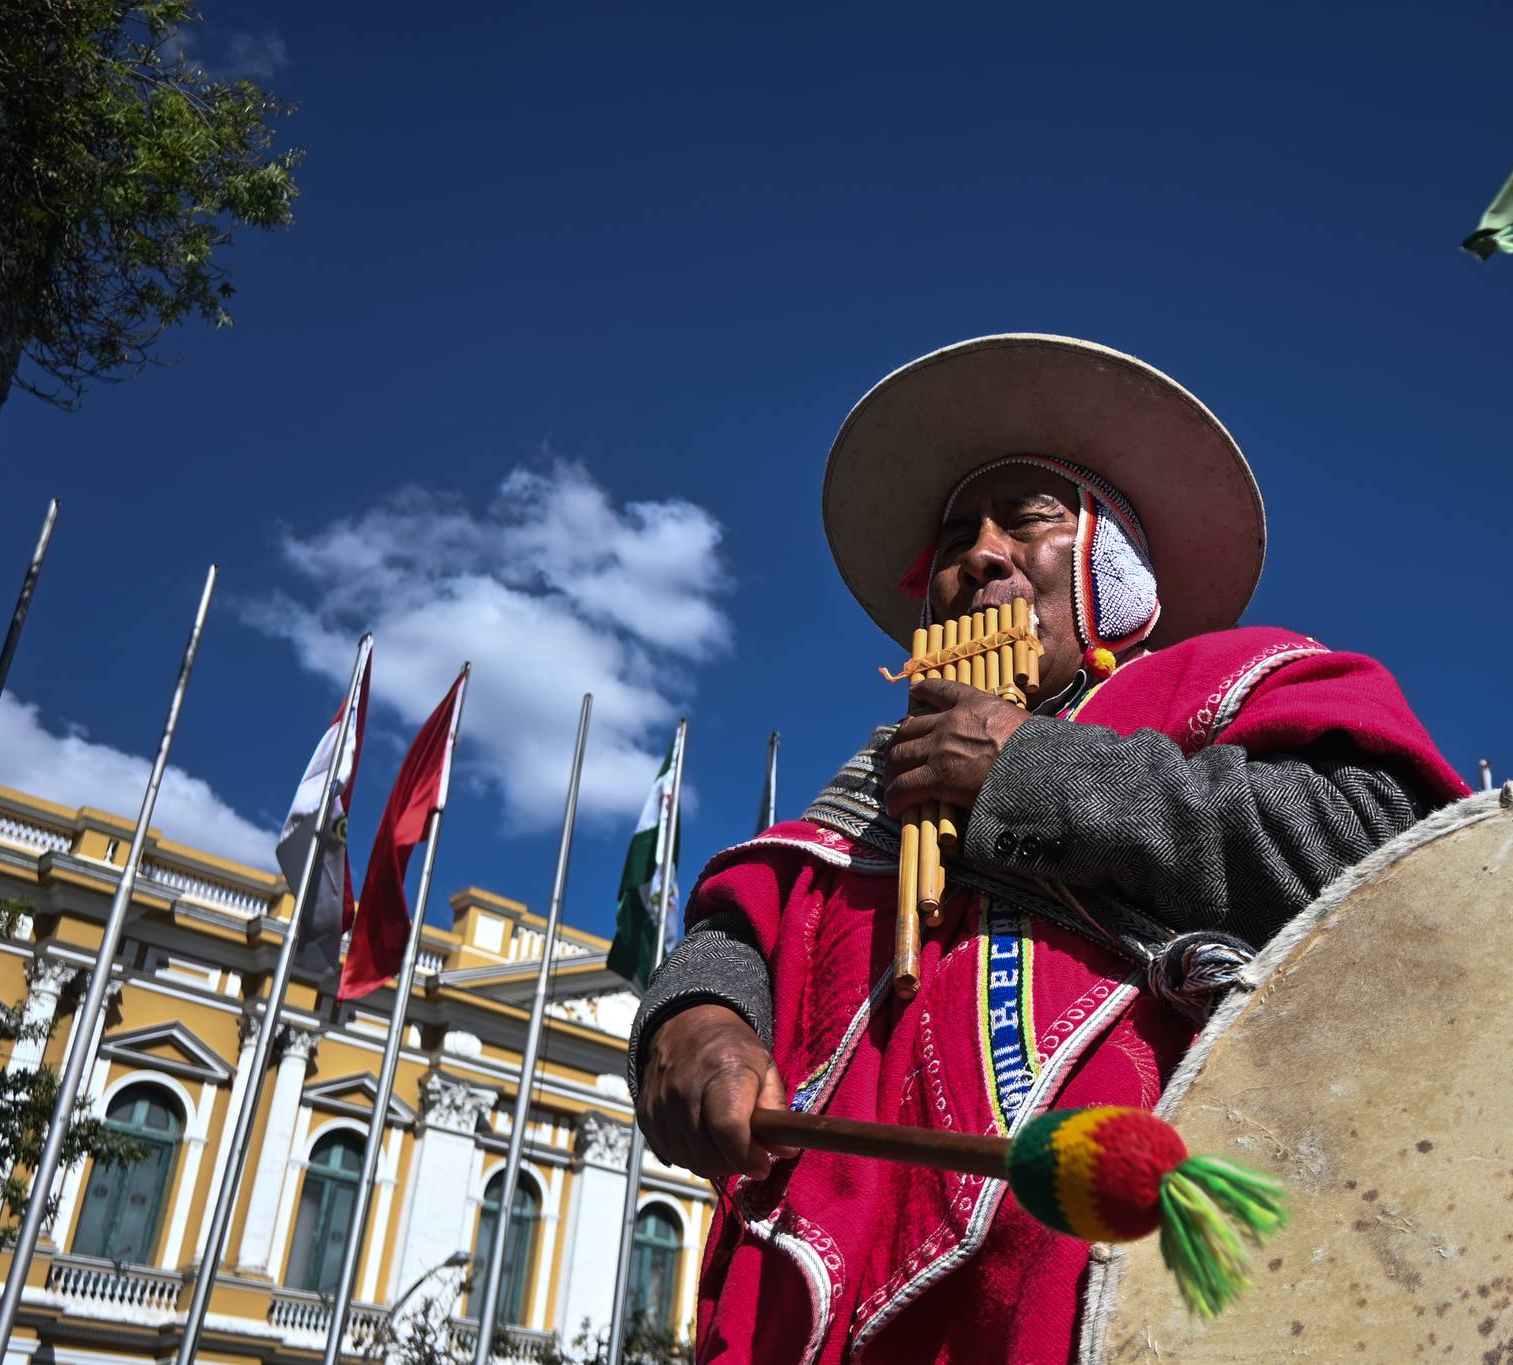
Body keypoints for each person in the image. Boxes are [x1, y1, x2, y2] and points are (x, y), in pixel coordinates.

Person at [627, 334, 1468, 1363]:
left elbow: (1392, 854)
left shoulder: (1233, 682)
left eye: (1025, 519)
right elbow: (742, 934)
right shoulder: (862, 798)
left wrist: (1031, 771)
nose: (978, 556)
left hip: (1144, 1286)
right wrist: (694, 1022)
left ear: (1114, 568)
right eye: (954, 539)